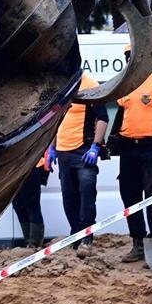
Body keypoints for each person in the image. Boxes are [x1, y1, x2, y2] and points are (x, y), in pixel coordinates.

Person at [110, 46, 152, 262]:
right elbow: (122, 112)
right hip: (129, 149)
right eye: (128, 58)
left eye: (134, 57)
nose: (131, 61)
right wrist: (113, 137)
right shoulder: (126, 84)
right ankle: (138, 244)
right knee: (130, 196)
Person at [46, 74, 108, 250]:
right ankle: (75, 233)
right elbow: (54, 121)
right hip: (63, 153)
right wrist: (51, 148)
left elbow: (103, 117)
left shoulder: (91, 86)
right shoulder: (61, 85)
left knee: (87, 194)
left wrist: (95, 146)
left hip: (83, 152)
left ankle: (87, 237)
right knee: (69, 197)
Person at [11, 149, 51, 248]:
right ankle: (28, 240)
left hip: (32, 165)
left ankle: (35, 243)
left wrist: (46, 169)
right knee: (18, 205)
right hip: (14, 167)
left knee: (32, 205)